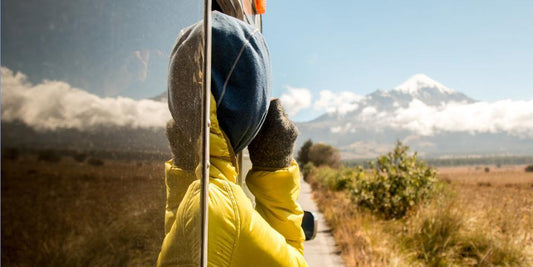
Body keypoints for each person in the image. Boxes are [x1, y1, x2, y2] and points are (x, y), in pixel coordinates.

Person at [157, 11, 308, 267]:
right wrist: (275, 164)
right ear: (255, 112)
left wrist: (185, 164)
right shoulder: (223, 211)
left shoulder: (205, 198)